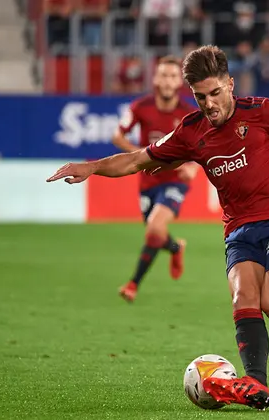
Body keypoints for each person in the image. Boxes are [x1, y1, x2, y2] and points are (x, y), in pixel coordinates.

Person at [47, 45, 269, 410]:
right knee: (243, 298)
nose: (209, 104)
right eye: (200, 97)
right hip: (239, 230)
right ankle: (255, 384)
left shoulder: (263, 112)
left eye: (215, 93)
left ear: (230, 84)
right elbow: (137, 159)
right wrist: (91, 167)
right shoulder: (191, 131)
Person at [112, 55, 197, 303]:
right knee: (154, 232)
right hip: (148, 181)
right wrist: (140, 156)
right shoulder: (140, 107)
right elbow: (117, 136)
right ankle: (175, 247)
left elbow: (201, 145)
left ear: (179, 81)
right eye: (164, 75)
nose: (168, 81)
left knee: (154, 227)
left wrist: (192, 166)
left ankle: (132, 284)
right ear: (156, 79)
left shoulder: (188, 113)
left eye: (173, 76)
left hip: (175, 180)